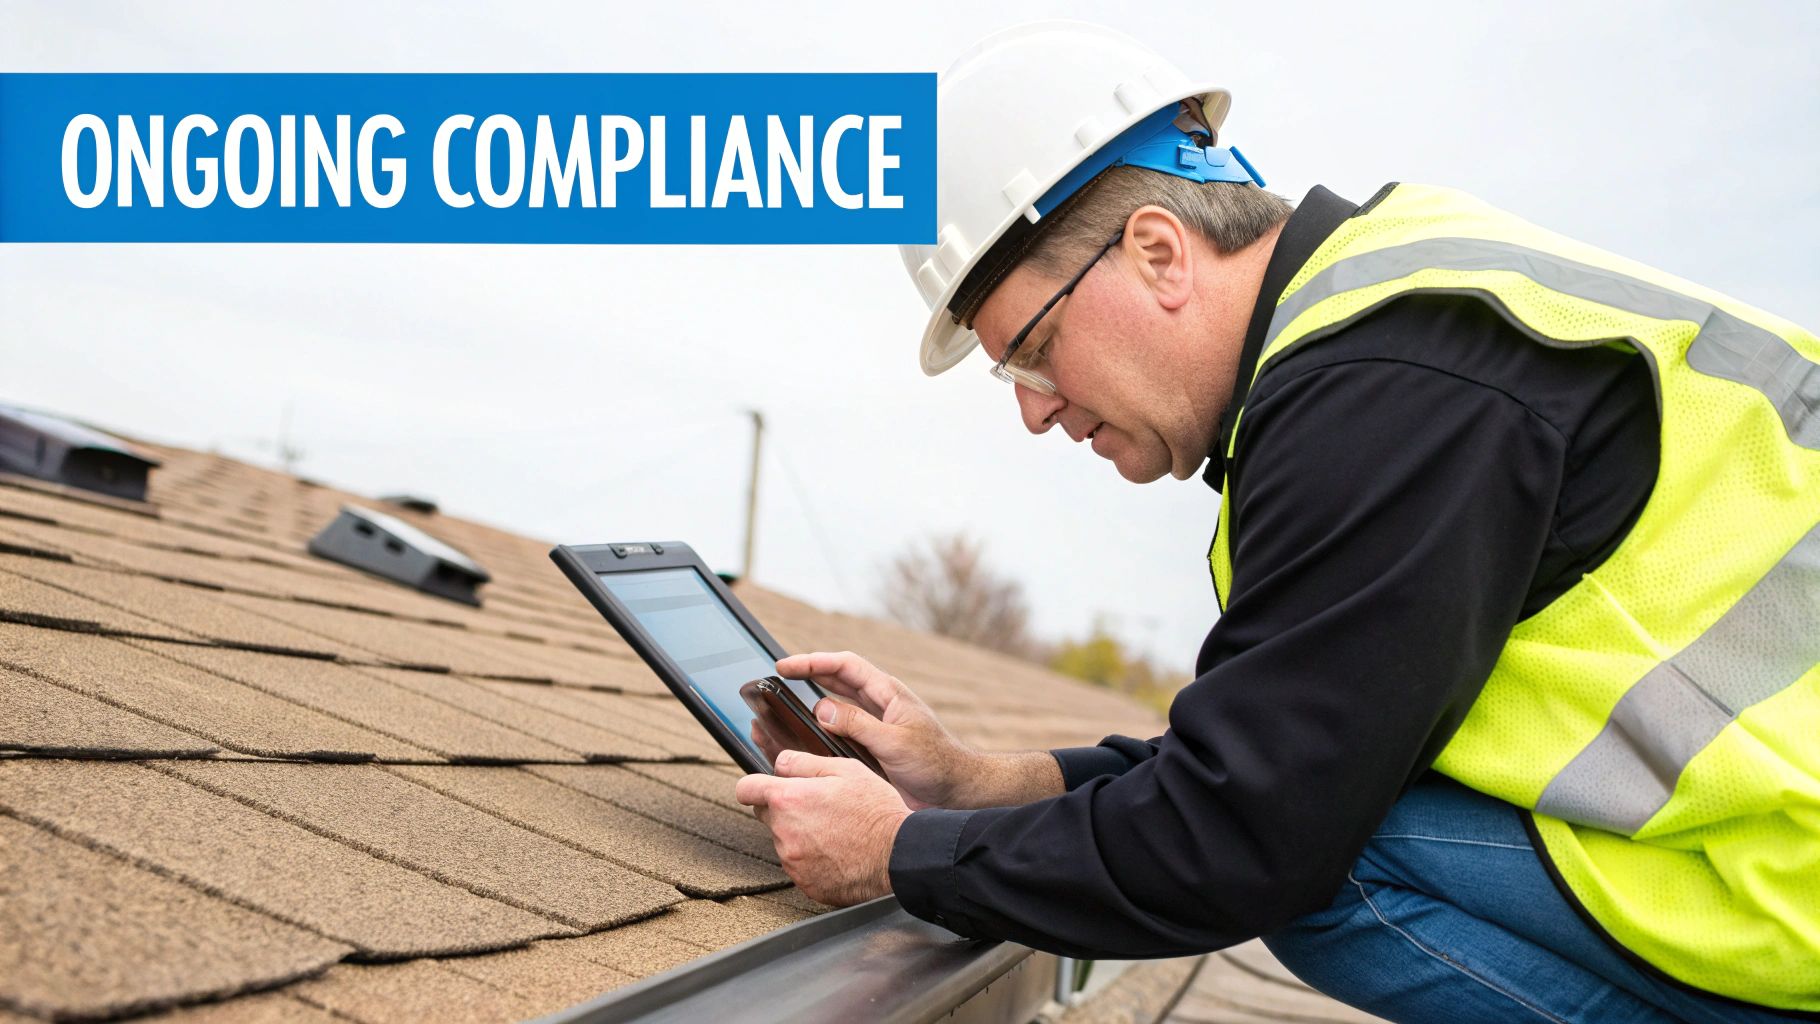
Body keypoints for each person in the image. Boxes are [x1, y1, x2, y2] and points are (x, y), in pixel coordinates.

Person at [735, 22, 1819, 1023]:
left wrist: (902, 855)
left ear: (1158, 252)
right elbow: (1281, 750)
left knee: (1328, 861)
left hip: (1789, 884)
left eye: (1029, 348)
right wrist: (978, 784)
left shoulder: (1376, 395)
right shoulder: (1389, 315)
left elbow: (1247, 830)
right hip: (1769, 847)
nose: (1031, 409)